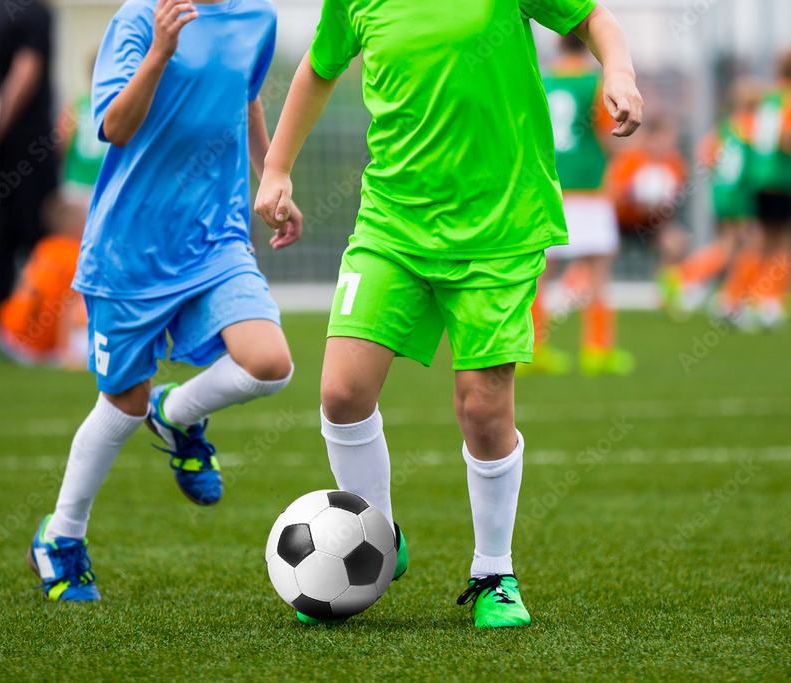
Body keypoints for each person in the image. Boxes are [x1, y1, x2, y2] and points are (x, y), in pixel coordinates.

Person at [256, 0, 642, 627]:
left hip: (500, 229)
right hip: (392, 226)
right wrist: (276, 169)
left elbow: (594, 18)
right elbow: (317, 70)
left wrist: (618, 72)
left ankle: (494, 572)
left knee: (483, 409)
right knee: (341, 393)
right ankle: (378, 536)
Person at [27, 0, 300, 602]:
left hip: (215, 240)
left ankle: (175, 413)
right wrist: (158, 53)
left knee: (270, 363)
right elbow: (116, 126)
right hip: (129, 252)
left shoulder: (257, 17)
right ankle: (61, 538)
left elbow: (246, 97)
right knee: (120, 405)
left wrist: (271, 177)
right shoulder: (137, 19)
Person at [528, 32, 633, 377]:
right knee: (598, 271)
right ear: (586, 45)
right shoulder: (596, 81)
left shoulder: (540, 78)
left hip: (550, 186)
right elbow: (609, 135)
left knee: (540, 274)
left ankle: (532, 349)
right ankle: (597, 351)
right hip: (589, 186)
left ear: (560, 45)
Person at [0, 0, 58, 314]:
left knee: (1, 236)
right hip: (29, 140)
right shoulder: (37, 13)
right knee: (39, 234)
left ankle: (3, 324)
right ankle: (36, 324)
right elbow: (26, 70)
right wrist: (0, 126)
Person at [661, 80, 762, 319]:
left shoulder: (725, 127)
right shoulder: (751, 126)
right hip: (740, 193)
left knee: (731, 245)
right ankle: (727, 296)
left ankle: (720, 293)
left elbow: (704, 155)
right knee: (748, 244)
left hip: (722, 191)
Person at [0, 199, 88, 368]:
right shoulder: (75, 257)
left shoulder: (44, 247)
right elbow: (65, 307)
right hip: (36, 347)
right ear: (76, 228)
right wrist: (66, 354)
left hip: (7, 335)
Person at [741, 50, 791, 329]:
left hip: (761, 176)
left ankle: (751, 298)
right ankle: (768, 302)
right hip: (781, 177)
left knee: (762, 243)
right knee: (780, 242)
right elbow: (786, 138)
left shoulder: (769, 97)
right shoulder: (787, 98)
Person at [607, 117, 689, 270]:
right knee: (598, 246)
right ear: (646, 138)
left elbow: (674, 201)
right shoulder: (629, 160)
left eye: (664, 139)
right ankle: (591, 289)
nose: (659, 145)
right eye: (655, 139)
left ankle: (664, 290)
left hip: (652, 223)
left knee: (676, 242)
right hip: (622, 223)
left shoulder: (674, 163)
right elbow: (613, 197)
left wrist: (660, 207)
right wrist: (632, 198)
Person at [58, 51, 110, 207]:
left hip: (76, 184)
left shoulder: (77, 104)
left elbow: (61, 143)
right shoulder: (116, 106)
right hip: (104, 184)